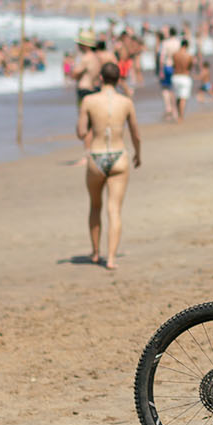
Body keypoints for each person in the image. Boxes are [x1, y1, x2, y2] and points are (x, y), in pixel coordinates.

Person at [77, 61, 141, 269]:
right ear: (119, 79)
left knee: (95, 206)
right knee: (114, 209)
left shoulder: (88, 100)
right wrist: (138, 154)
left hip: (96, 156)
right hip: (119, 156)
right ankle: (111, 258)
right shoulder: (126, 102)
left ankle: (96, 253)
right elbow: (135, 134)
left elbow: (80, 133)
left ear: (101, 78)